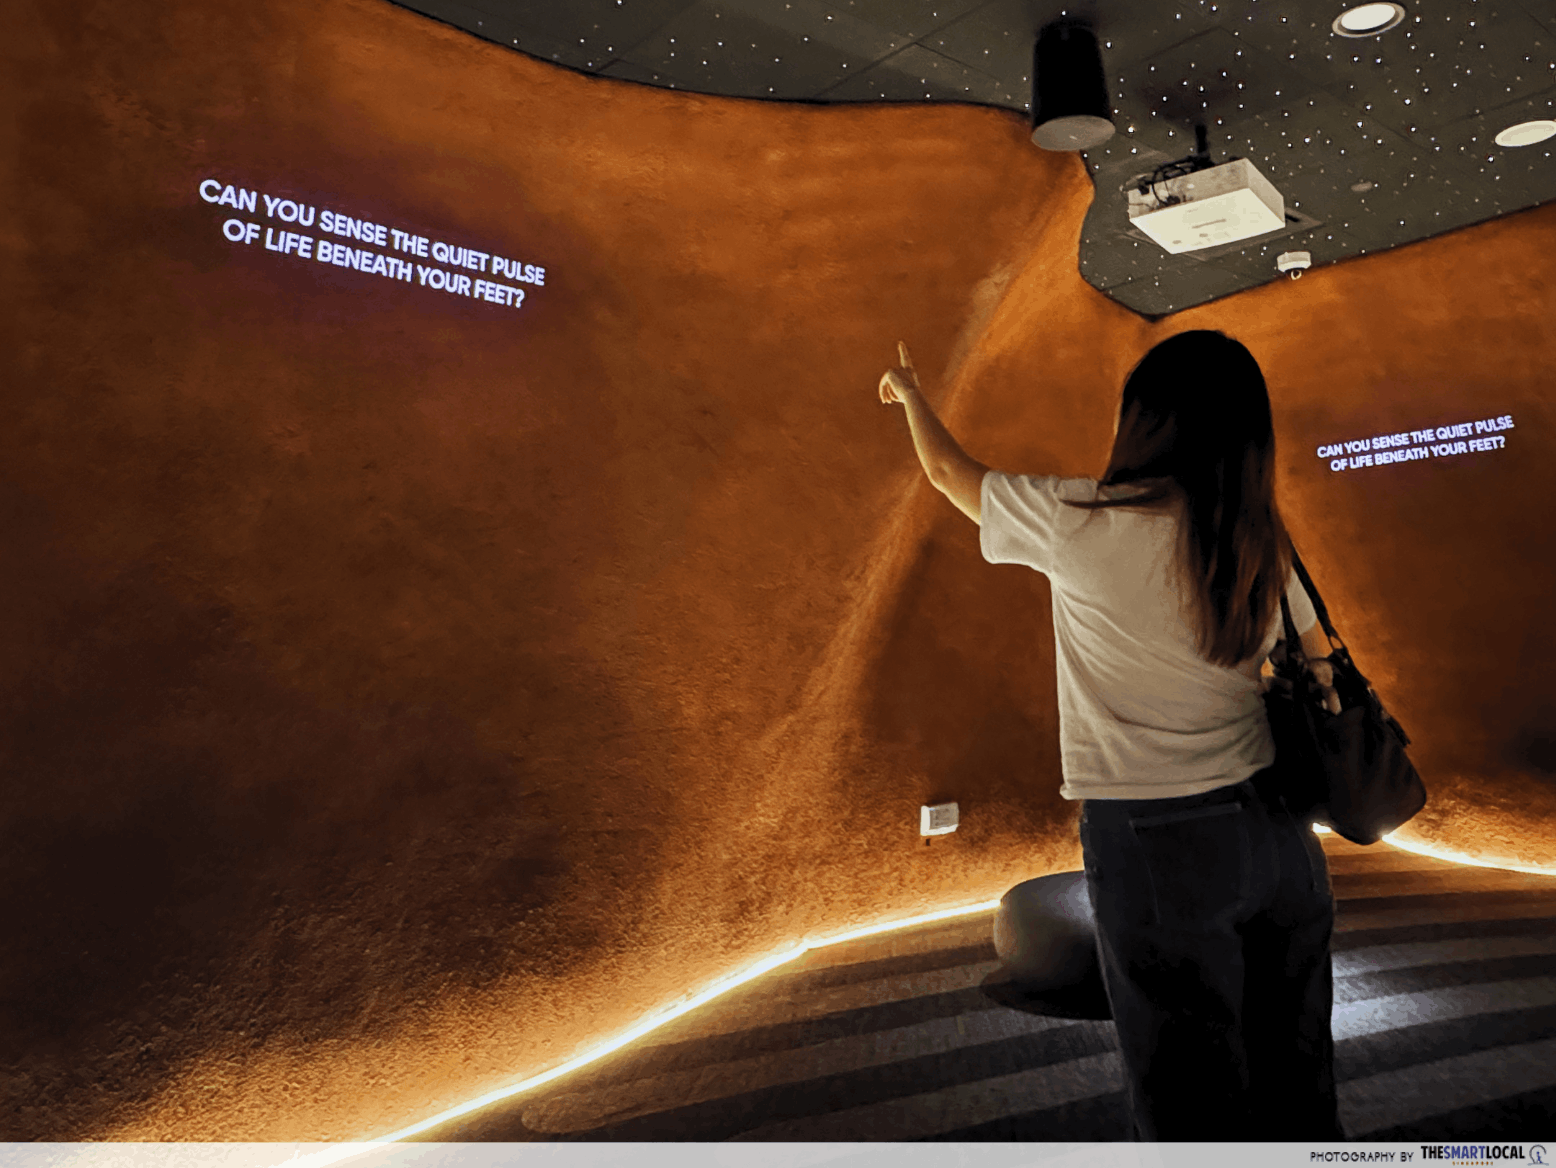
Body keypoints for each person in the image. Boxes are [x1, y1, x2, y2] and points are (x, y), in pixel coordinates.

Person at [878, 332, 1346, 1142]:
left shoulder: (1081, 518)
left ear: (1144, 422)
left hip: (1157, 842)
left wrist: (912, 395)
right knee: (1296, 1081)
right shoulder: (1260, 538)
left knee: (1190, 1099)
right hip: (1279, 835)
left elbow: (951, 475)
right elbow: (1325, 672)